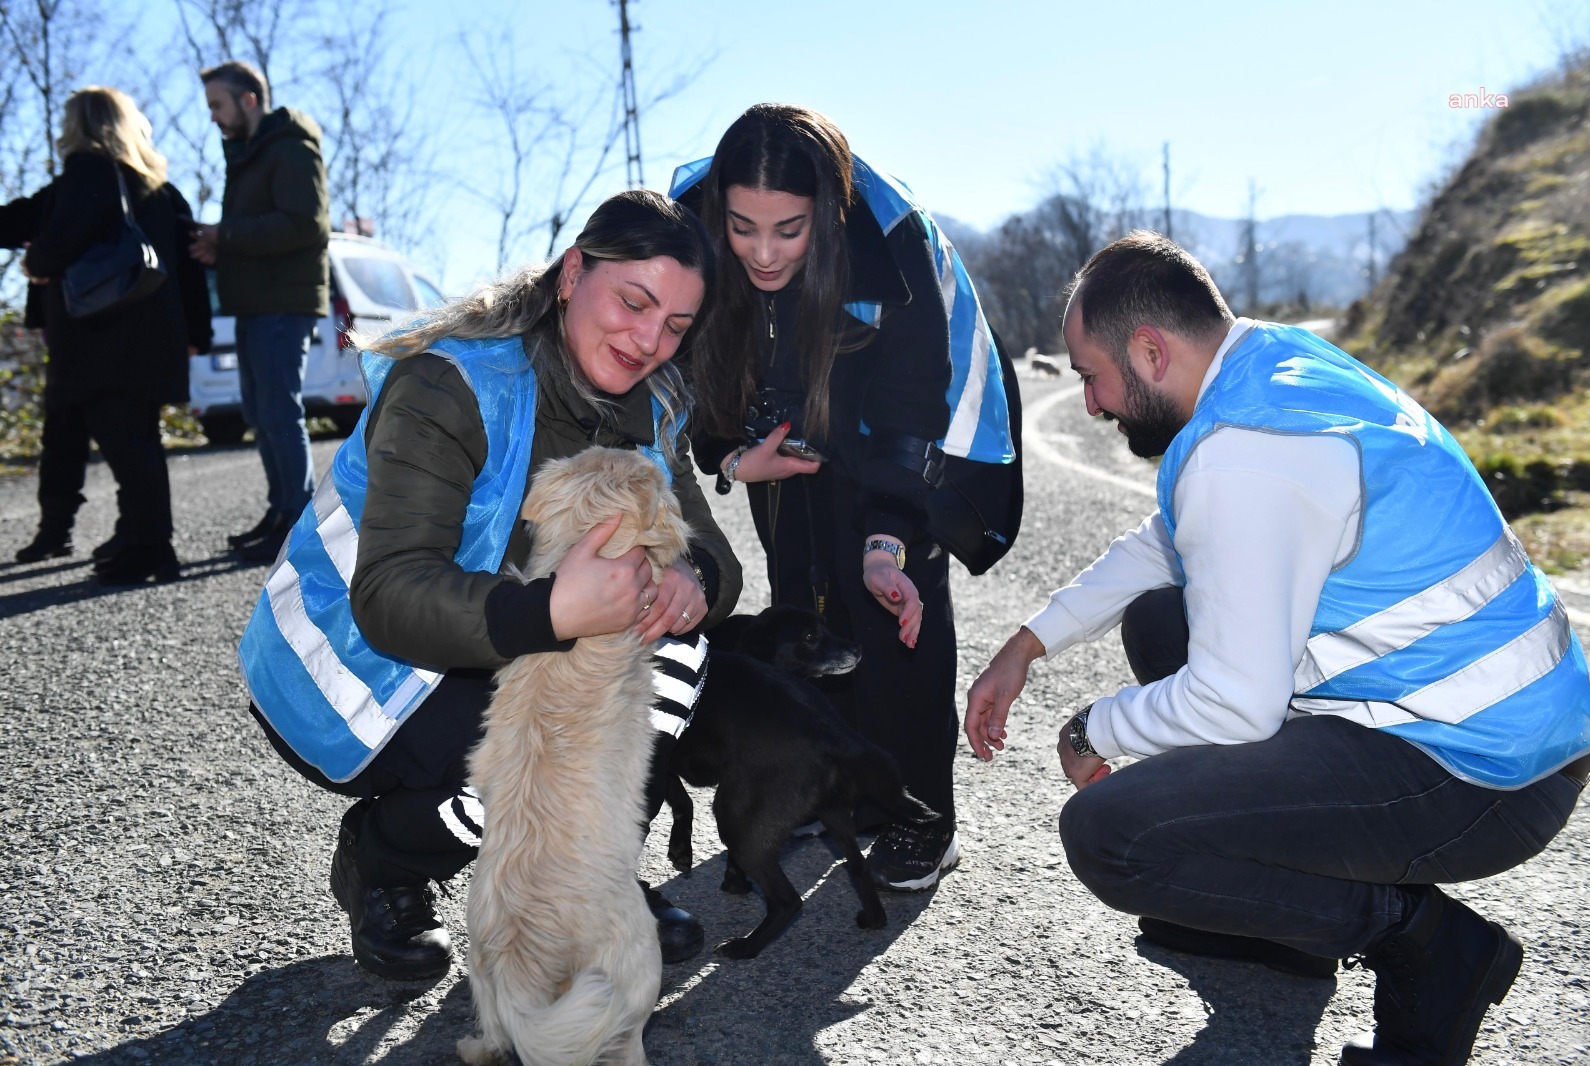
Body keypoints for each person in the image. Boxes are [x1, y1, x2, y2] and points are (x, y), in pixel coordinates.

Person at [965, 231, 1590, 1066]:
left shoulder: (1248, 457)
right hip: (1499, 720)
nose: (1089, 402)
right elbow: (1174, 539)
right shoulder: (1270, 365)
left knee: (1113, 835)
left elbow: (1235, 700)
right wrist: (1028, 644)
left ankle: (1430, 943)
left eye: (1092, 375)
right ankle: (1289, 933)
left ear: (1150, 350)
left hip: (1485, 774)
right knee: (1162, 620)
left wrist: (1093, 731)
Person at [237, 189, 742, 981]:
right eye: (634, 301)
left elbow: (715, 550)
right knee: (524, 746)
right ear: (574, 272)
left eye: (676, 326)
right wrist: (549, 611)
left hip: (501, 644)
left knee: (678, 657)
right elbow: (390, 597)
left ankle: (585, 874)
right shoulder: (451, 383)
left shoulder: (654, 401)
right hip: (357, 665)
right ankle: (386, 859)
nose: (649, 341)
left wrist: (691, 575)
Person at [674, 103, 1011, 891]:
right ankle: (819, 793)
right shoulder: (686, 221)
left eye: (788, 230)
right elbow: (690, 367)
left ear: (826, 213)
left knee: (892, 603)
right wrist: (729, 458)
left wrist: (889, 535)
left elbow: (913, 403)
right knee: (802, 604)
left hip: (907, 432)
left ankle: (917, 815)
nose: (761, 252)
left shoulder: (889, 240)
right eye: (743, 226)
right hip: (785, 428)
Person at [0, 86, 212, 583]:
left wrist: (36, 261)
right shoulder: (159, 187)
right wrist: (195, 333)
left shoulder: (88, 175)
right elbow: (190, 269)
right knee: (134, 443)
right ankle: (142, 543)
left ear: (83, 126)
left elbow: (60, 238)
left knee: (127, 445)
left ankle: (152, 550)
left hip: (102, 341)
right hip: (146, 339)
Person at [190, 59, 330, 564]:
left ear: (248, 100)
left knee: (278, 410)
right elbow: (259, 228)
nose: (213, 117)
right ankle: (280, 514)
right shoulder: (247, 156)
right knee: (261, 413)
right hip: (255, 302)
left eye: (217, 105)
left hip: (283, 303)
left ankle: (297, 524)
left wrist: (224, 236)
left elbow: (304, 225)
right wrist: (221, 247)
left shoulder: (291, 149)